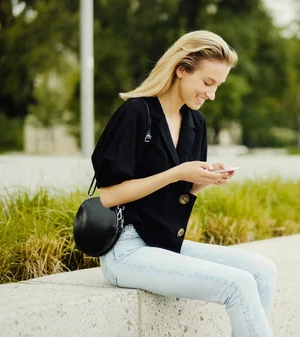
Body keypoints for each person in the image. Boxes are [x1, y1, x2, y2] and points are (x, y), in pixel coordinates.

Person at [91, 30, 277, 337]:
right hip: (125, 250)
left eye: (218, 86)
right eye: (208, 83)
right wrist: (177, 173)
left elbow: (179, 191)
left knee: (263, 271)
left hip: (164, 244)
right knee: (239, 284)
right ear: (181, 69)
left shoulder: (195, 122)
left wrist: (205, 178)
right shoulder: (137, 113)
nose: (212, 94)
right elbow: (109, 196)